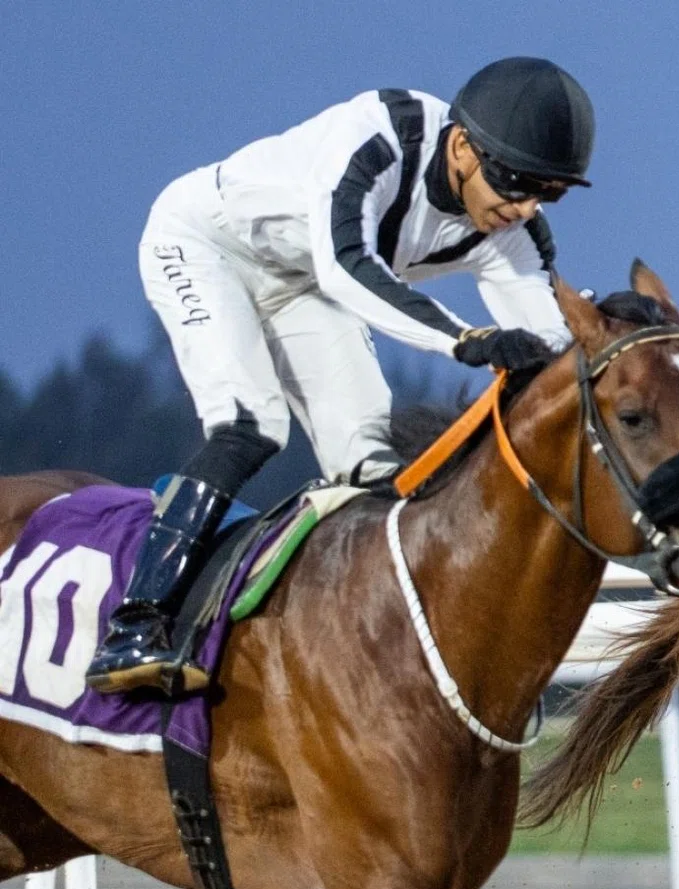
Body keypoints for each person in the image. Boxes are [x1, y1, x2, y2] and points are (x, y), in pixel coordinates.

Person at [88, 56, 595, 695]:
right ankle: (134, 627)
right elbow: (346, 267)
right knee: (251, 425)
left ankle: (360, 656)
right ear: (463, 146)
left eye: (547, 193)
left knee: (372, 464)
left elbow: (553, 350)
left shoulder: (510, 229)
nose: (523, 207)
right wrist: (465, 339)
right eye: (516, 182)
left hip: (302, 283)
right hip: (206, 247)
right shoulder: (379, 139)